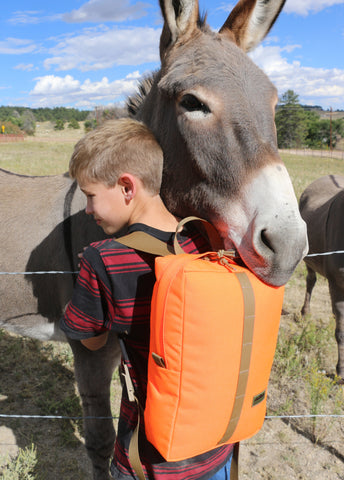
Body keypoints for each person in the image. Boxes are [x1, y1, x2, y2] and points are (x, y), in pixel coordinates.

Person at [60, 118, 234, 479]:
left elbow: (91, 341)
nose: (89, 209)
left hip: (150, 459)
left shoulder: (102, 257)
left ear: (127, 187)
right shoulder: (205, 239)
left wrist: (86, 288)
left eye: (91, 196)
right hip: (218, 449)